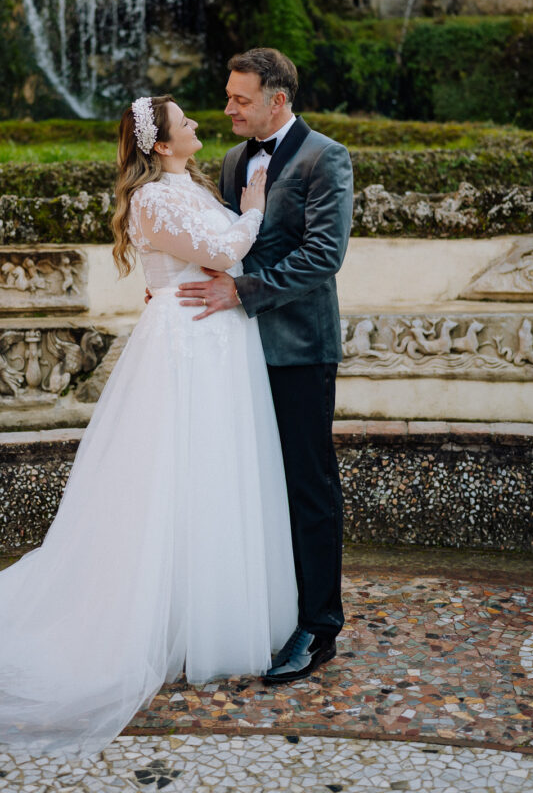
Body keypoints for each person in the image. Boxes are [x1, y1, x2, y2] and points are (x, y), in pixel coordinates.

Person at [0, 96, 297, 756]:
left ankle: (202, 616)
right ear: (162, 144)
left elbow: (221, 259)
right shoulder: (155, 201)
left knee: (214, 477)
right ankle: (141, 621)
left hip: (217, 343)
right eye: (186, 121)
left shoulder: (187, 184)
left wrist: (234, 227)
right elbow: (224, 247)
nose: (197, 125)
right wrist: (252, 204)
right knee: (167, 480)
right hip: (185, 347)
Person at [178, 48, 354, 685]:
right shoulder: (231, 161)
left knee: (310, 487)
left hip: (300, 349)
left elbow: (322, 257)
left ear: (277, 100)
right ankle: (269, 611)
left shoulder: (324, 157)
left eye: (240, 99)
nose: (227, 108)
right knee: (253, 486)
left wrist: (241, 292)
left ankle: (318, 627)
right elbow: (229, 243)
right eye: (228, 96)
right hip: (238, 352)